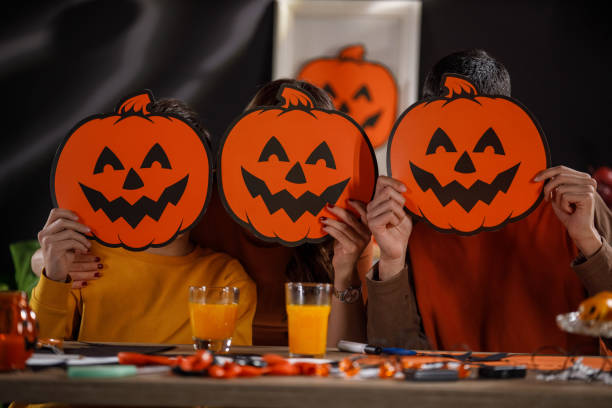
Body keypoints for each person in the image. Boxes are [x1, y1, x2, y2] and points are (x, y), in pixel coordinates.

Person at [366, 49, 612, 354]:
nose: (466, 165)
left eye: (486, 142)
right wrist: (391, 262)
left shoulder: (573, 207)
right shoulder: (405, 220)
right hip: (449, 394)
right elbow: (396, 354)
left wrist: (588, 242)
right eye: (442, 143)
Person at [30, 97, 257, 345]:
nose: (134, 184)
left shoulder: (225, 279)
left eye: (159, 165)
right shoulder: (82, 266)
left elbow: (230, 369)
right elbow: (38, 352)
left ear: (205, 183)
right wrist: (54, 277)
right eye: (114, 165)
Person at [191, 78, 372, 346]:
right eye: (274, 156)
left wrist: (345, 274)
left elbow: (343, 350)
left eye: (318, 159)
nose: (296, 177)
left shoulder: (346, 224)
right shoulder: (204, 204)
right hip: (216, 357)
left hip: (301, 363)